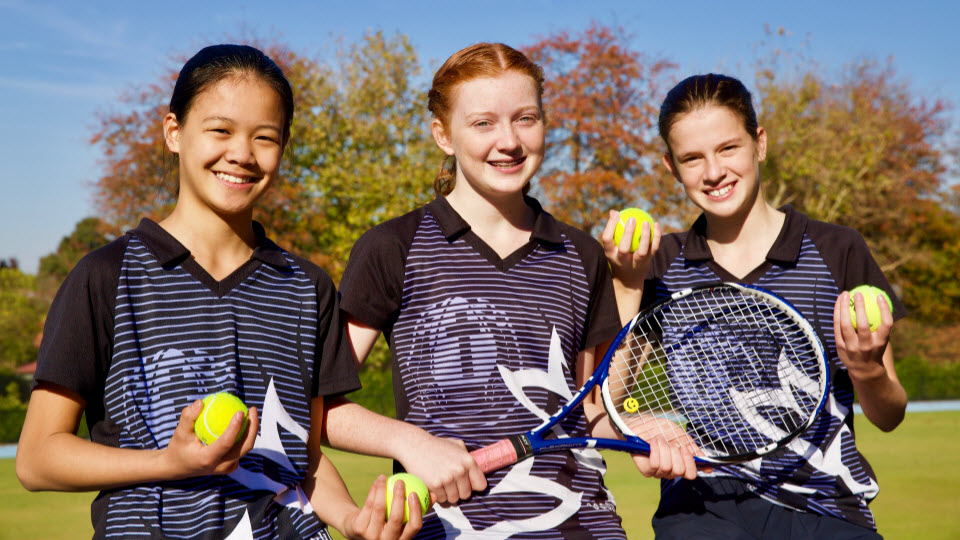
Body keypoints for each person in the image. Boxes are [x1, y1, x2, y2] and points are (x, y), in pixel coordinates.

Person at [15, 44, 426, 540]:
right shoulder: (106, 276)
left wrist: (348, 519)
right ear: (174, 132)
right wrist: (171, 462)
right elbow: (37, 460)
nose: (242, 154)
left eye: (265, 137)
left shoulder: (308, 287)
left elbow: (305, 460)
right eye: (220, 130)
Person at [324, 42, 654, 538]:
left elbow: (590, 411)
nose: (509, 141)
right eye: (483, 123)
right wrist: (409, 443)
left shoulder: (580, 253)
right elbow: (319, 408)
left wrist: (630, 282)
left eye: (526, 118)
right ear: (443, 135)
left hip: (583, 524)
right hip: (446, 527)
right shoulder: (393, 246)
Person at [601, 73, 907, 538]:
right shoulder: (658, 263)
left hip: (826, 507)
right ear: (670, 166)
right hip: (702, 507)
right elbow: (604, 404)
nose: (713, 172)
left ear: (759, 143)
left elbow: (889, 415)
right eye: (692, 158)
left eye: (728, 148)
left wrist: (866, 370)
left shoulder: (837, 248)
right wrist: (627, 281)